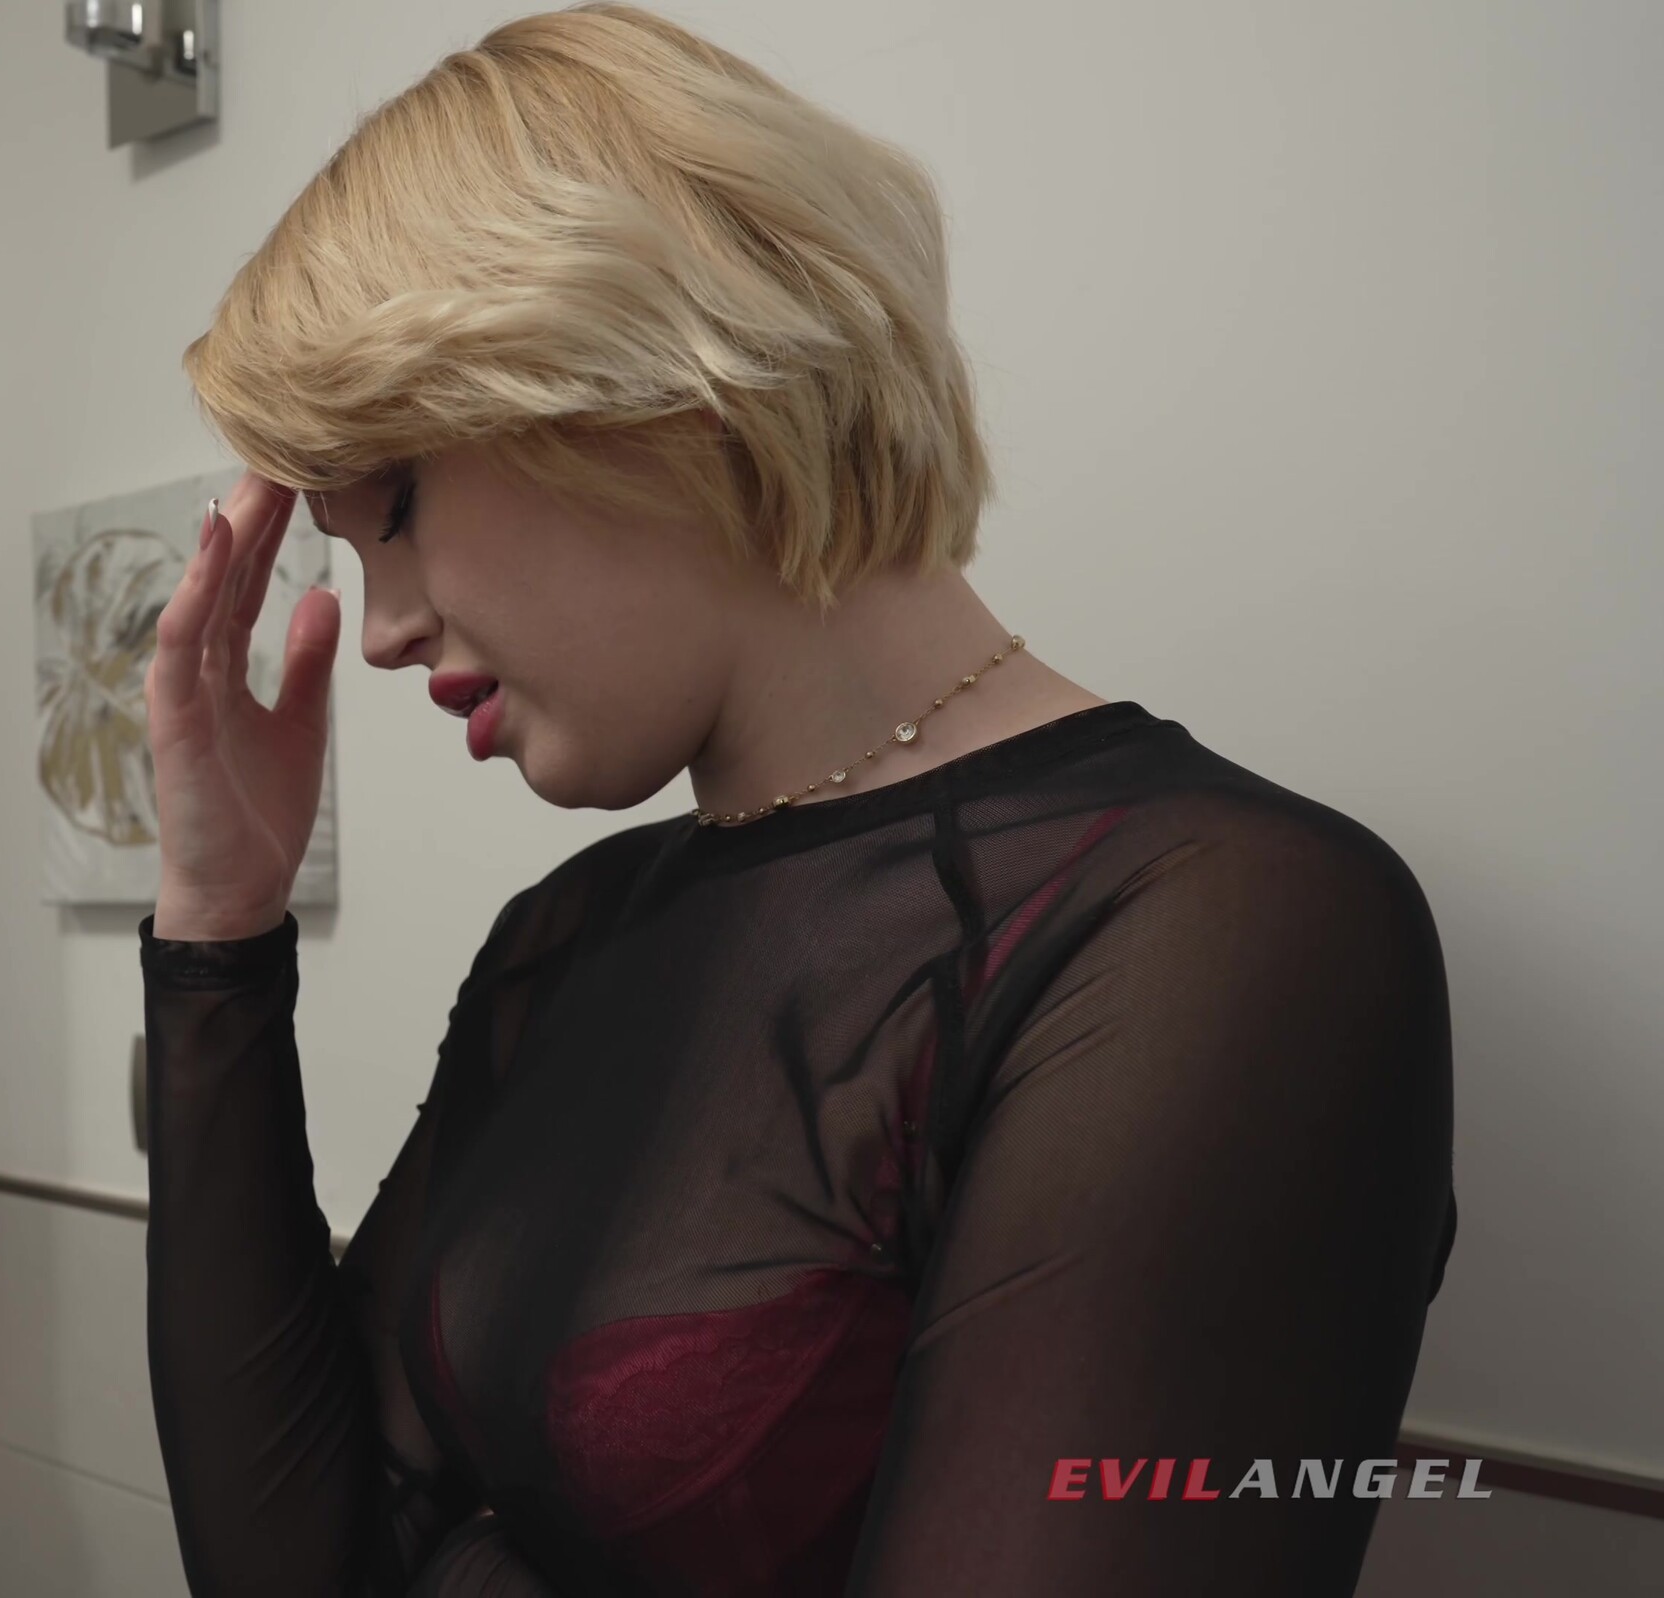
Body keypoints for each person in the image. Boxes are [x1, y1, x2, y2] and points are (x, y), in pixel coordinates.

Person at [137, 8, 1455, 1594]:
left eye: (397, 511)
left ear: (645, 378)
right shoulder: (566, 937)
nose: (385, 628)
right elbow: (302, 1565)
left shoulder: (1220, 929)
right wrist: (221, 923)